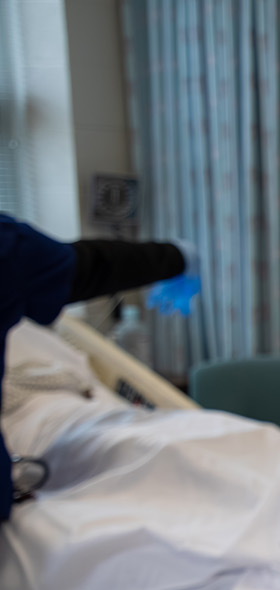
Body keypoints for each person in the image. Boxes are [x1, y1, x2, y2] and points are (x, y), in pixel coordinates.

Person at [2, 214, 193, 521]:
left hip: (78, 413)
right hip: (39, 421)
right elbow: (87, 267)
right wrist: (178, 256)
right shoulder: (8, 249)